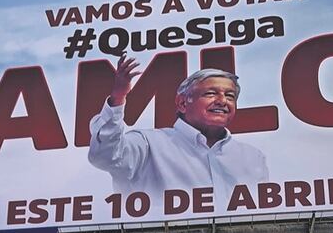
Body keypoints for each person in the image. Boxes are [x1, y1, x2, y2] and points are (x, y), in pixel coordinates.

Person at [87, 54, 268, 201]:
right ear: (182, 103)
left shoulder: (252, 157)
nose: (222, 101)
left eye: (230, 96)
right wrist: (117, 98)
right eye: (211, 93)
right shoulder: (148, 144)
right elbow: (105, 157)